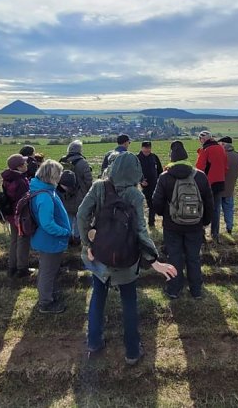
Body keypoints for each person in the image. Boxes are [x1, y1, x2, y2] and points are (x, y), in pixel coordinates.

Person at [77, 152, 177, 365]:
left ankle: (94, 342)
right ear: (136, 172)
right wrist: (154, 260)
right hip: (126, 259)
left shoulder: (99, 187)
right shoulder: (136, 195)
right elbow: (141, 231)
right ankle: (132, 351)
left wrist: (88, 244)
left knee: (98, 296)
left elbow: (82, 214)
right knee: (129, 302)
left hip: (100, 255)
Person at [151, 141, 214, 300]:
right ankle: (196, 290)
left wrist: (164, 214)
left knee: (174, 257)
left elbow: (156, 201)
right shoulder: (200, 175)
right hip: (195, 225)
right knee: (194, 257)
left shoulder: (165, 177)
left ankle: (174, 290)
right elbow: (209, 201)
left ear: (171, 158)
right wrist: (205, 221)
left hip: (172, 225)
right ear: (186, 157)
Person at [28, 160, 72, 314]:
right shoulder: (44, 197)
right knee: (48, 271)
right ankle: (45, 303)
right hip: (49, 241)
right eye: (59, 173)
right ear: (52, 176)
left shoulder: (43, 189)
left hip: (48, 239)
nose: (61, 176)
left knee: (48, 269)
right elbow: (47, 224)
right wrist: (65, 232)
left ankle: (48, 294)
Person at [1, 154, 32, 278]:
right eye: (24, 163)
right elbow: (24, 200)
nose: (26, 164)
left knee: (14, 241)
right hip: (21, 215)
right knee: (23, 241)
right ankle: (22, 268)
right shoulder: (21, 181)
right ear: (19, 167)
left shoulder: (7, 178)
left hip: (11, 214)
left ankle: (11, 267)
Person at [195, 131, 228, 241]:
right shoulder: (221, 149)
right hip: (220, 182)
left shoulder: (206, 150)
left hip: (207, 184)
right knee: (216, 209)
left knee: (202, 208)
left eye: (200, 139)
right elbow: (226, 167)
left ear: (203, 139)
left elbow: (199, 168)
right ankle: (215, 233)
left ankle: (202, 234)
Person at [59, 140, 93, 245]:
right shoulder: (83, 162)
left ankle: (68, 237)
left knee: (68, 216)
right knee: (79, 216)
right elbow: (88, 180)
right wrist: (88, 192)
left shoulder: (62, 161)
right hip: (80, 194)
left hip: (65, 193)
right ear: (79, 150)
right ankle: (77, 238)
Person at [218, 136, 238, 239]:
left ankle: (215, 231)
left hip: (218, 187)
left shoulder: (220, 155)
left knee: (216, 210)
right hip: (230, 187)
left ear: (223, 144)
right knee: (229, 209)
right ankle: (229, 228)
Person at [137, 141, 163, 227]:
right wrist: (140, 180)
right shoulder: (137, 158)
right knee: (142, 203)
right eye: (145, 148)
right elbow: (134, 172)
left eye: (149, 148)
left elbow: (160, 170)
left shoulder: (154, 157)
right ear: (142, 148)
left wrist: (160, 181)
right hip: (141, 185)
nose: (147, 150)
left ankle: (151, 222)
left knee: (152, 203)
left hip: (154, 184)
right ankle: (141, 222)